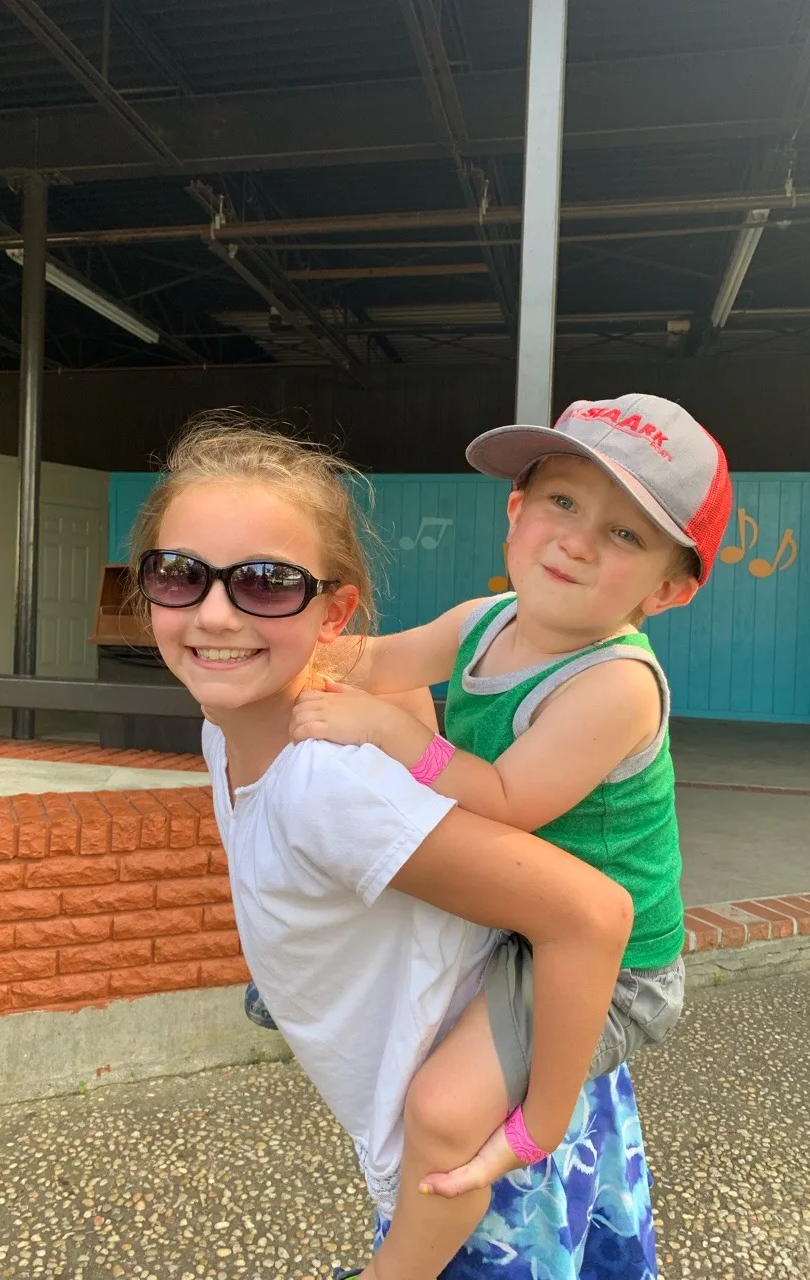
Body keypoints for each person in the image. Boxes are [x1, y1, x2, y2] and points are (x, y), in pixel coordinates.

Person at [130, 410, 656, 1280]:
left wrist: (539, 1121)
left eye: (266, 584)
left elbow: (591, 913)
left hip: (491, 1144)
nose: (215, 614)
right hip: (521, 1046)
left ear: (334, 611)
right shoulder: (230, 723)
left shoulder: (328, 785)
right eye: (180, 573)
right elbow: (399, 684)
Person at [290, 394, 732, 1219]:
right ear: (516, 512)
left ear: (670, 589)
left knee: (441, 1109)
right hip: (524, 909)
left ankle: (527, 1141)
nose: (577, 541)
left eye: (625, 534)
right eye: (562, 501)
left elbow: (506, 802)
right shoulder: (483, 620)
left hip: (610, 967)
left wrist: (391, 731)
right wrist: (270, 641)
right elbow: (373, 660)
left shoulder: (615, 684)